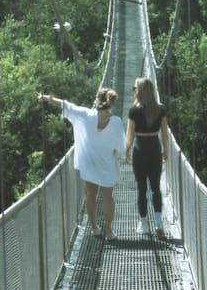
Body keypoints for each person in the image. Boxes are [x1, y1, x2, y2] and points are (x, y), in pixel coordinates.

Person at [38, 88, 125, 240]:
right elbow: (120, 148)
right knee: (107, 197)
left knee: (90, 195)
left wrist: (47, 97)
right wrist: (120, 155)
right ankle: (109, 231)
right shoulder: (116, 122)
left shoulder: (85, 115)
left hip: (89, 162)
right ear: (112, 104)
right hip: (106, 164)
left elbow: (65, 105)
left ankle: (95, 228)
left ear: (97, 100)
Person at [126, 77, 169, 236]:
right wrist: (165, 151)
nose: (134, 90)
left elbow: (130, 134)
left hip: (139, 149)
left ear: (141, 91)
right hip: (155, 148)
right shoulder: (161, 109)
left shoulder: (133, 110)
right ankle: (158, 222)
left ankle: (143, 224)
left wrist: (127, 150)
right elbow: (165, 133)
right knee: (156, 187)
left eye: (135, 88)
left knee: (141, 188)